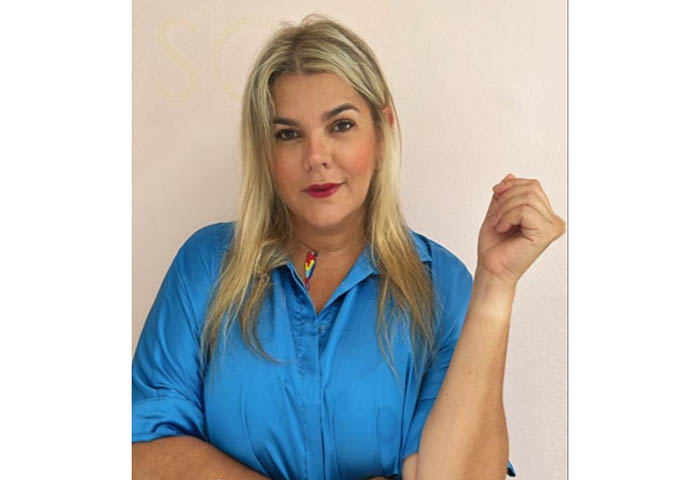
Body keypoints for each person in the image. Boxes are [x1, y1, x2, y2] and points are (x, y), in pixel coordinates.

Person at [132, 14, 565, 480]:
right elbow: (141, 451)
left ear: (382, 131)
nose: (316, 156)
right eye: (288, 134)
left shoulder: (441, 286)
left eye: (340, 125)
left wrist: (496, 285)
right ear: (266, 151)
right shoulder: (207, 265)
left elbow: (458, 476)